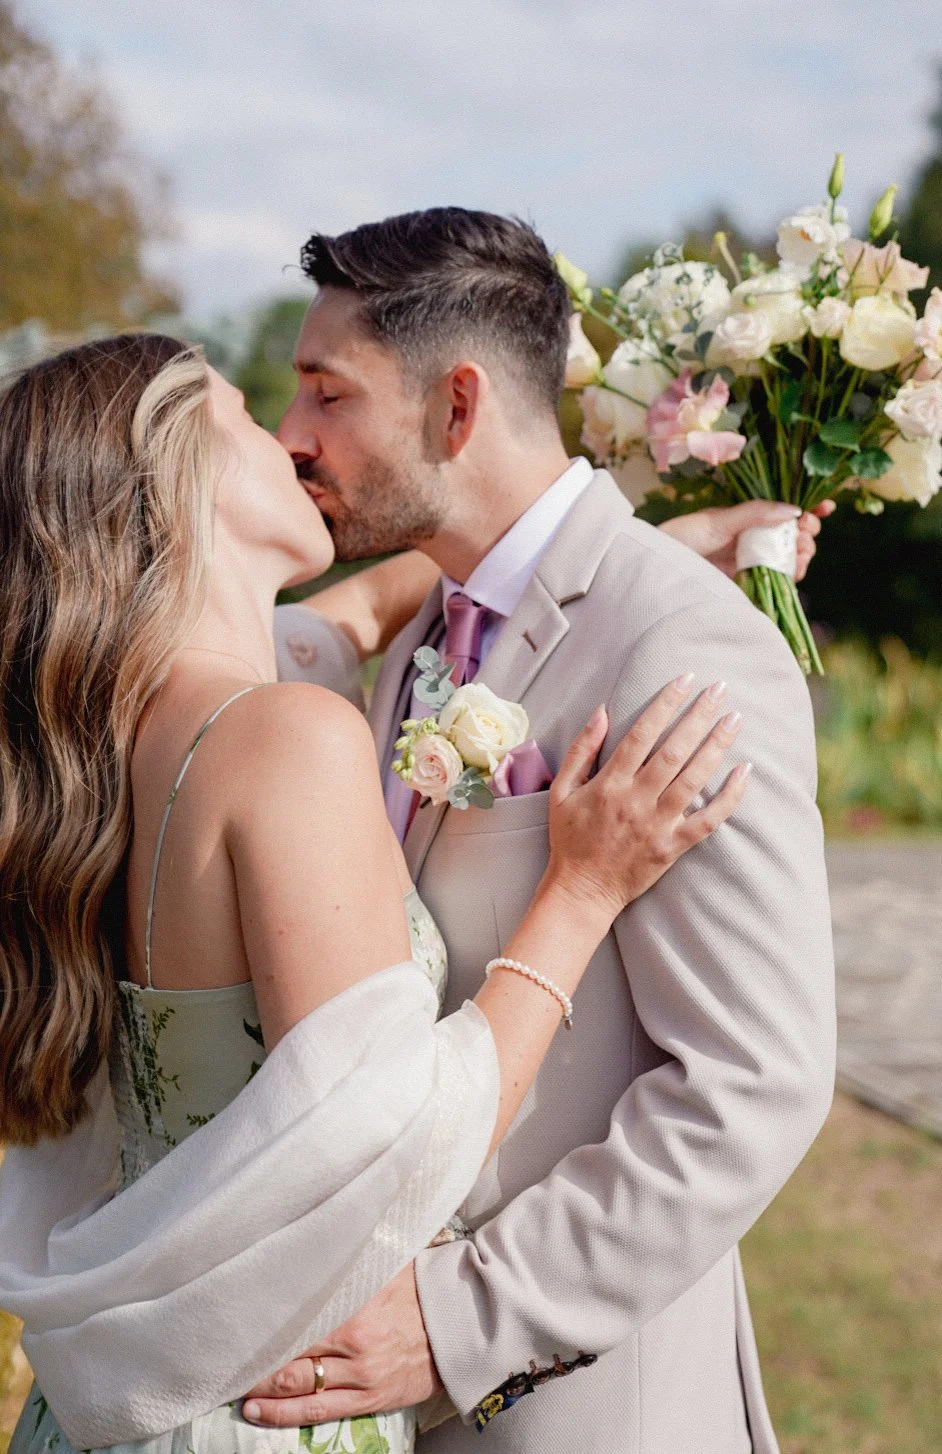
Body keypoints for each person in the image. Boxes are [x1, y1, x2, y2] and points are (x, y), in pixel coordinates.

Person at [0, 333, 749, 1454]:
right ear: (176, 479)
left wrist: (627, 535)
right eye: (249, 420)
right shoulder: (289, 737)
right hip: (258, 1409)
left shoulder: (105, 731)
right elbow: (386, 1142)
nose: (291, 439)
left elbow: (357, 613)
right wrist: (584, 889)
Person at [238, 208, 836, 1453]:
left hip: (586, 1409)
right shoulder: (419, 637)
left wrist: (463, 1318)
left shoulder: (687, 643)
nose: (291, 436)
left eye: (325, 393)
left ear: (456, 409)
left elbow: (750, 1085)